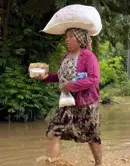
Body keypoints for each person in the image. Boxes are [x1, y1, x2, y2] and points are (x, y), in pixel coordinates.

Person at [32, 28, 102, 165]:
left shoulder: (88, 56)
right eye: (66, 36)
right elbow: (61, 77)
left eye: (71, 36)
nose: (67, 39)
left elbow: (94, 78)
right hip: (67, 102)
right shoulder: (65, 56)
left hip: (86, 104)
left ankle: (99, 164)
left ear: (80, 39)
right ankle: (51, 164)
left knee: (92, 136)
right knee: (54, 132)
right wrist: (46, 77)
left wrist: (72, 86)